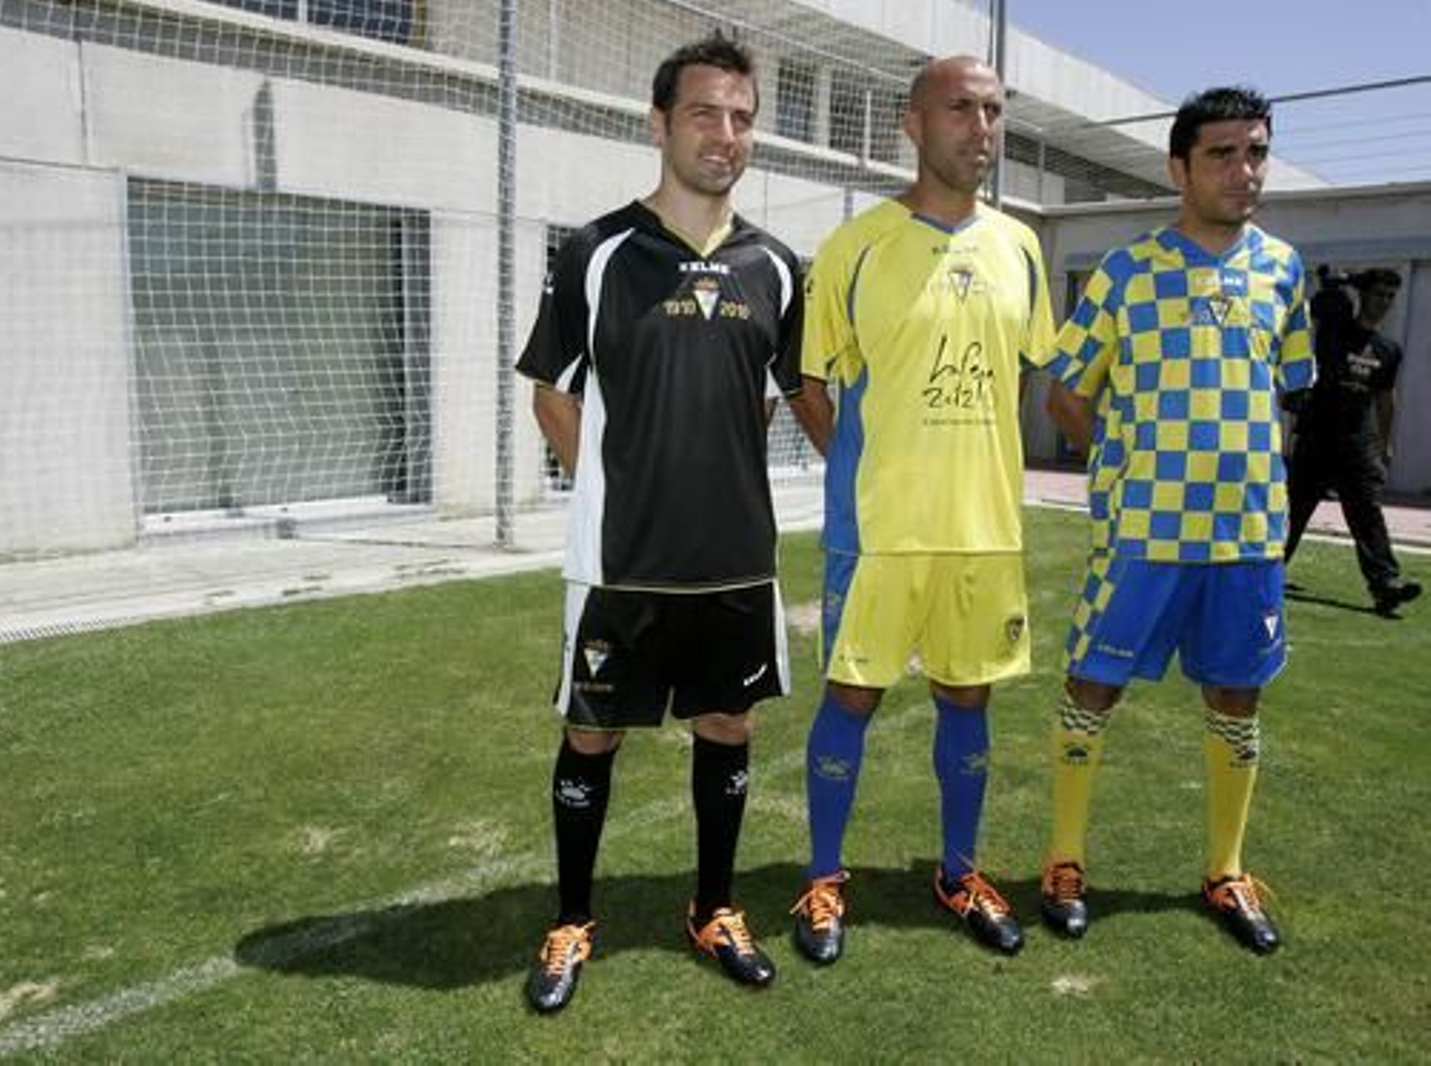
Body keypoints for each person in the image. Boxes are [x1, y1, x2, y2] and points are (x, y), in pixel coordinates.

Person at [515, 33, 808, 1014]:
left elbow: (763, 398)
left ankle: (715, 908)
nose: (724, 135)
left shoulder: (776, 266)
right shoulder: (594, 252)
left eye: (740, 117)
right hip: (619, 564)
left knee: (726, 724)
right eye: (703, 114)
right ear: (658, 123)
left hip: (731, 564)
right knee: (591, 732)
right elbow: (551, 396)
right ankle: (570, 918)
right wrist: (612, 483)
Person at [787, 55, 1056, 965]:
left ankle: (959, 871)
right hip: (881, 532)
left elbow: (1026, 371)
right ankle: (823, 879)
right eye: (960, 109)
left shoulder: (1021, 247)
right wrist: (866, 473)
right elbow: (808, 382)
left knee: (967, 696)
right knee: (852, 696)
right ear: (913, 123)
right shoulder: (856, 245)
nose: (981, 127)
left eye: (992, 111)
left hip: (983, 530)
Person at [1038, 86, 1314, 956]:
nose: (1245, 170)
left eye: (1257, 152)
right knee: (1094, 687)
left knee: (1237, 693)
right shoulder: (1126, 272)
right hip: (1145, 534)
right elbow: (1065, 393)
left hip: (1247, 539)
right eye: (1224, 154)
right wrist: (1122, 466)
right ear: (1179, 167)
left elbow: (1291, 393)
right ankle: (1063, 860)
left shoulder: (1285, 270)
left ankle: (1224, 869)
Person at [1284, 267, 1421, 615]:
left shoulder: (1388, 350)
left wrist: (1386, 444)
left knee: (1367, 514)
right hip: (1317, 436)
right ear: (1364, 295)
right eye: (1379, 294)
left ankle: (1385, 585)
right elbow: (1323, 303)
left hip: (1357, 444)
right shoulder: (1336, 328)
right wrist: (1339, 281)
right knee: (1292, 512)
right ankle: (1262, 574)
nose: (1385, 302)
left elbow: (1386, 399)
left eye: (1390, 297)